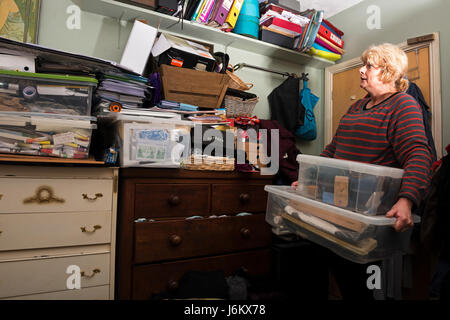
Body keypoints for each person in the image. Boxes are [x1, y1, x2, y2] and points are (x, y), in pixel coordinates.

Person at [292, 43, 433, 299]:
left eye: (369, 66)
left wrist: (406, 200)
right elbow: (334, 149)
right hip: (335, 204)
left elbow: (418, 154)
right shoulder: (357, 106)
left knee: (356, 282)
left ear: (388, 71)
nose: (361, 71)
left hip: (366, 210)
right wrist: (308, 177)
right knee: (317, 263)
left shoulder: (403, 105)